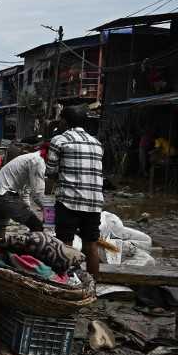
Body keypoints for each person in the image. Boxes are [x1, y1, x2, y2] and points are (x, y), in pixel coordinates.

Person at [46, 105, 103, 276]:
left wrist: (48, 195)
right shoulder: (96, 142)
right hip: (94, 203)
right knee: (91, 244)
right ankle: (93, 285)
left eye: (60, 120)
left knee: (65, 244)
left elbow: (51, 171)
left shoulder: (59, 140)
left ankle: (64, 284)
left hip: (68, 200)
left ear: (64, 121)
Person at [0, 148, 46, 242]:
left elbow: (26, 188)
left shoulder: (30, 158)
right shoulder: (38, 161)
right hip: (4, 195)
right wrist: (50, 212)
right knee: (36, 226)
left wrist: (26, 207)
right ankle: (28, 255)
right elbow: (37, 194)